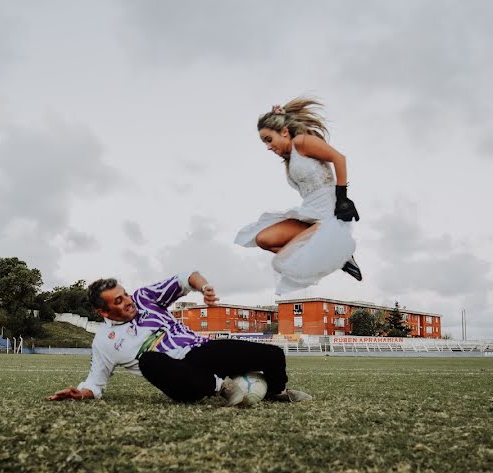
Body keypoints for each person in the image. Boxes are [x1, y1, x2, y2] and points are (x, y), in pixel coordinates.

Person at [47, 271, 312, 406]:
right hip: (180, 378)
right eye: (119, 301)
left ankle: (276, 393)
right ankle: (223, 388)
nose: (128, 301)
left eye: (125, 294)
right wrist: (80, 393)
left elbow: (185, 277)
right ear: (103, 311)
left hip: (202, 352)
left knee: (274, 355)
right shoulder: (105, 341)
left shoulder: (144, 297)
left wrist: (204, 287)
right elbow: (96, 382)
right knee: (150, 361)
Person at [235, 98, 362, 295]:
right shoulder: (289, 160)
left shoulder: (301, 142)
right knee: (263, 239)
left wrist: (343, 196)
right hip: (308, 212)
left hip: (328, 212)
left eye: (269, 139)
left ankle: (337, 252)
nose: (268, 147)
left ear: (284, 132)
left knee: (283, 262)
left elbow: (339, 158)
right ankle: (337, 256)